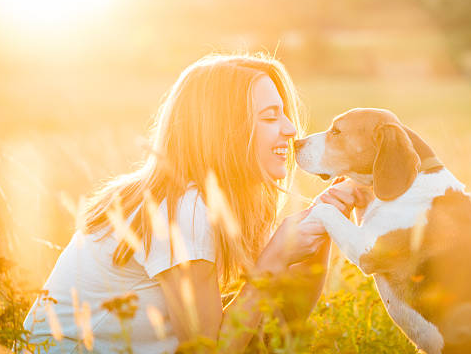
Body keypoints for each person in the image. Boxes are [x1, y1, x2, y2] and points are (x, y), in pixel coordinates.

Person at [23, 53, 360, 353]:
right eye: (270, 117)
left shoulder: (220, 203)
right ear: (226, 130)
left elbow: (279, 327)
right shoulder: (185, 208)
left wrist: (323, 224)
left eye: (285, 114)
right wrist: (272, 260)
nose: (290, 129)